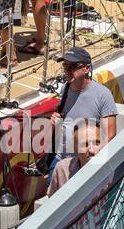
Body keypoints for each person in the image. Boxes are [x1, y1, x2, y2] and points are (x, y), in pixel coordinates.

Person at [48, 47, 117, 189]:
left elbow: (110, 136)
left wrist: (87, 158)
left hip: (84, 162)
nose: (67, 70)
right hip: (61, 159)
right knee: (50, 197)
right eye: (65, 66)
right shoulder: (65, 89)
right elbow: (66, 117)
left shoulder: (102, 95)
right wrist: (56, 119)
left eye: (72, 67)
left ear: (86, 69)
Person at [47, 121, 102, 196]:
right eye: (84, 145)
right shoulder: (62, 169)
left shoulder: (114, 167)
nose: (92, 150)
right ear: (75, 148)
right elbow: (52, 201)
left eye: (97, 143)